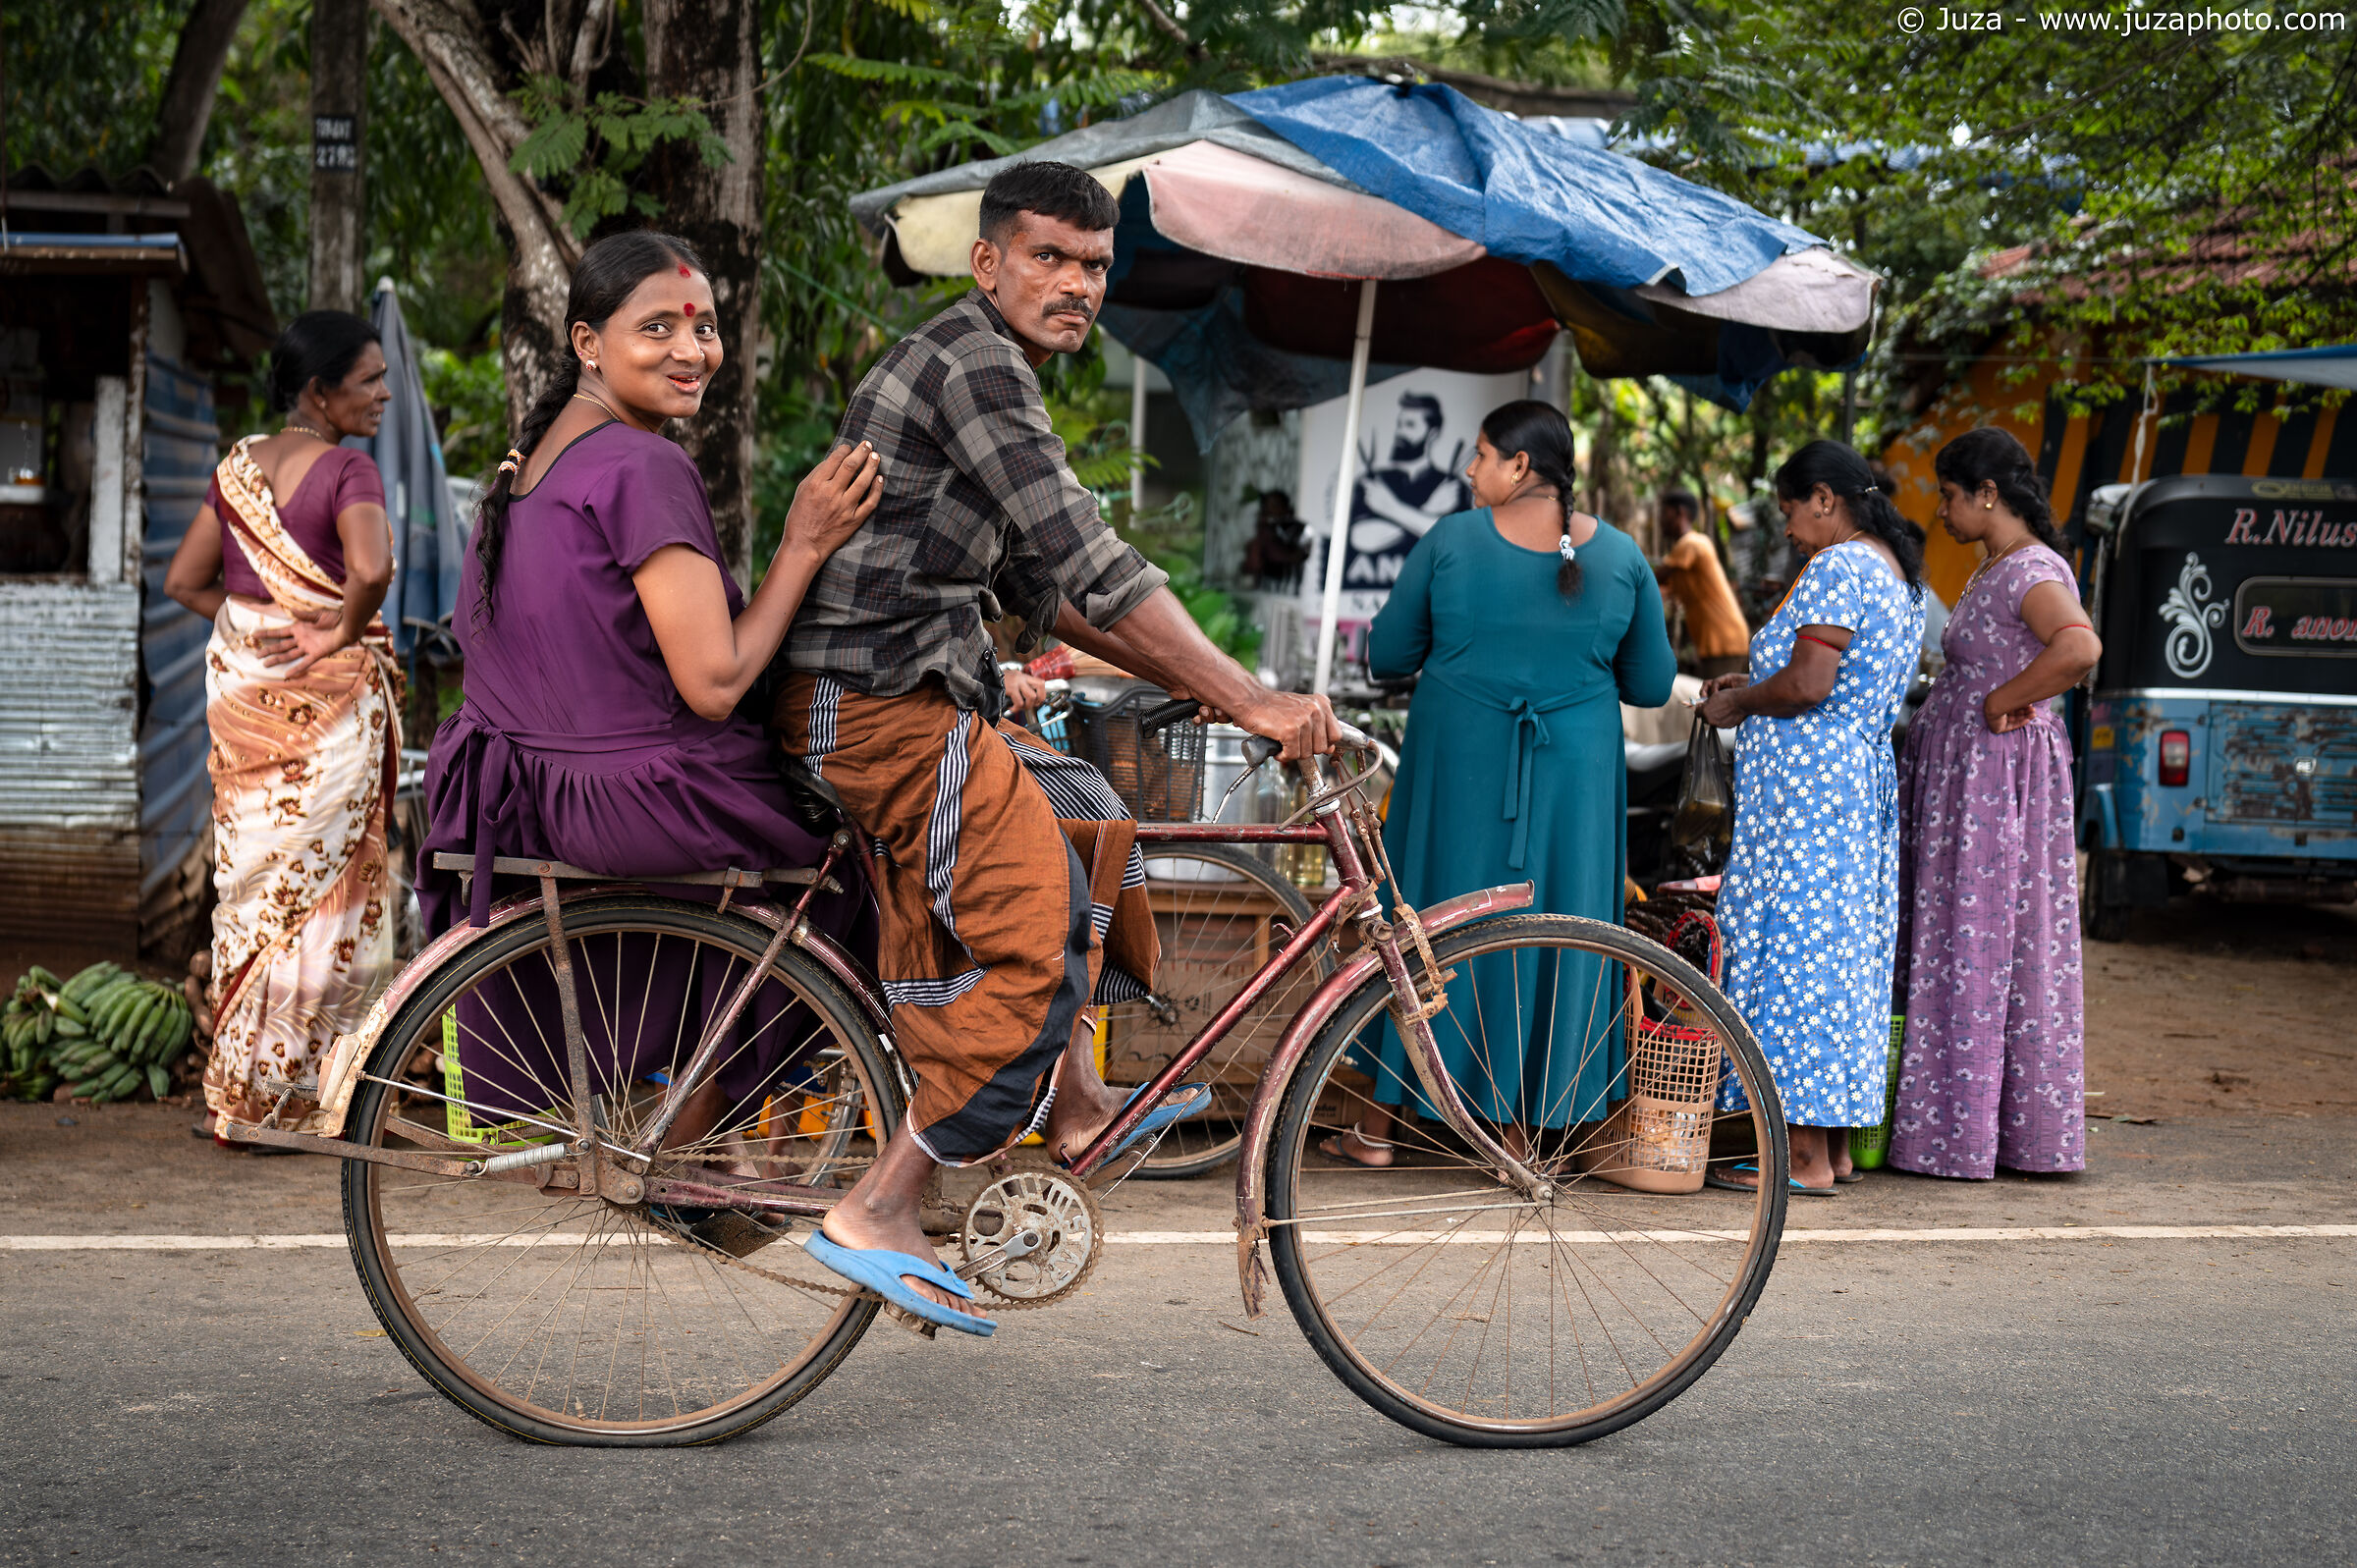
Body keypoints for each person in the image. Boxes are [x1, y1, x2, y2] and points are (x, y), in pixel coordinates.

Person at [772, 160, 1340, 1334]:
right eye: (1050, 257)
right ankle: (884, 1201)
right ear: (990, 263)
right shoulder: (973, 361)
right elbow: (1087, 554)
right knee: (1032, 926)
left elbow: (1046, 584)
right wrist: (1244, 696)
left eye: (1093, 265)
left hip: (917, 694)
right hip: (871, 707)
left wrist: (1187, 675)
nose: (1076, 283)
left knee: (1085, 808)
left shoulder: (994, 365)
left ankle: (1072, 1098)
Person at [413, 231, 882, 1151]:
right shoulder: (642, 465)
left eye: (704, 327)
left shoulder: (528, 464)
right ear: (588, 344)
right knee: (854, 861)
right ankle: (699, 1123)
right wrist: (805, 540)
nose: (691, 349)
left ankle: (700, 1110)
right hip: (636, 796)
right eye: (658, 326)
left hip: (518, 794)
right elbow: (714, 682)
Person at [1321, 401, 1677, 1167]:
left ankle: (1381, 1128)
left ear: (1520, 466)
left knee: (1426, 923)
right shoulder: (1620, 558)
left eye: (1480, 454)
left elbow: (1387, 652)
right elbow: (1651, 684)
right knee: (1554, 926)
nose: (1468, 468)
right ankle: (1521, 1135)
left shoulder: (1450, 543)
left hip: (1458, 765)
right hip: (1573, 782)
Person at [165, 310, 399, 1145]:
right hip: (329, 707)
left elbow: (184, 582)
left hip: (243, 709)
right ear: (318, 392)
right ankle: (316, 1099)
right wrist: (334, 629)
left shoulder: (235, 472)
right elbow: (371, 570)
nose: (382, 391)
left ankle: (240, 1099)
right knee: (329, 895)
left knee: (256, 894)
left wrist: (249, 632)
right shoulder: (347, 469)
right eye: (367, 379)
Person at [1697, 440, 1927, 1194]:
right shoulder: (1896, 576)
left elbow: (1808, 682)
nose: (1790, 529)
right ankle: (1825, 1149)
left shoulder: (1839, 566)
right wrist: (1759, 683)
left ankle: (1797, 1155)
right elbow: (1820, 678)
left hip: (1810, 797)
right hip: (1852, 791)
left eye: (1792, 509)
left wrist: (1741, 700)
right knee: (1837, 960)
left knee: (1796, 955)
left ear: (1825, 498)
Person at [1891, 427, 2101, 1179]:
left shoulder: (2032, 570)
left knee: (1981, 939)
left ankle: (1974, 1136)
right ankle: (1965, 1129)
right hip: (1970, 780)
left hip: (1997, 782)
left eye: (1950, 495)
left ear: (1988, 493)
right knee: (1963, 939)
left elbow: (2079, 648)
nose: (1941, 511)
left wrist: (2000, 701)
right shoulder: (1995, 567)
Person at [1653, 489, 1751, 679]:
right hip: (1716, 644)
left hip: (1724, 641)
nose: (1660, 520)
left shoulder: (1692, 543)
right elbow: (1661, 588)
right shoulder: (1683, 562)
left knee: (1714, 704)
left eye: (1664, 513)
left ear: (1679, 513)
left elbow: (1652, 578)